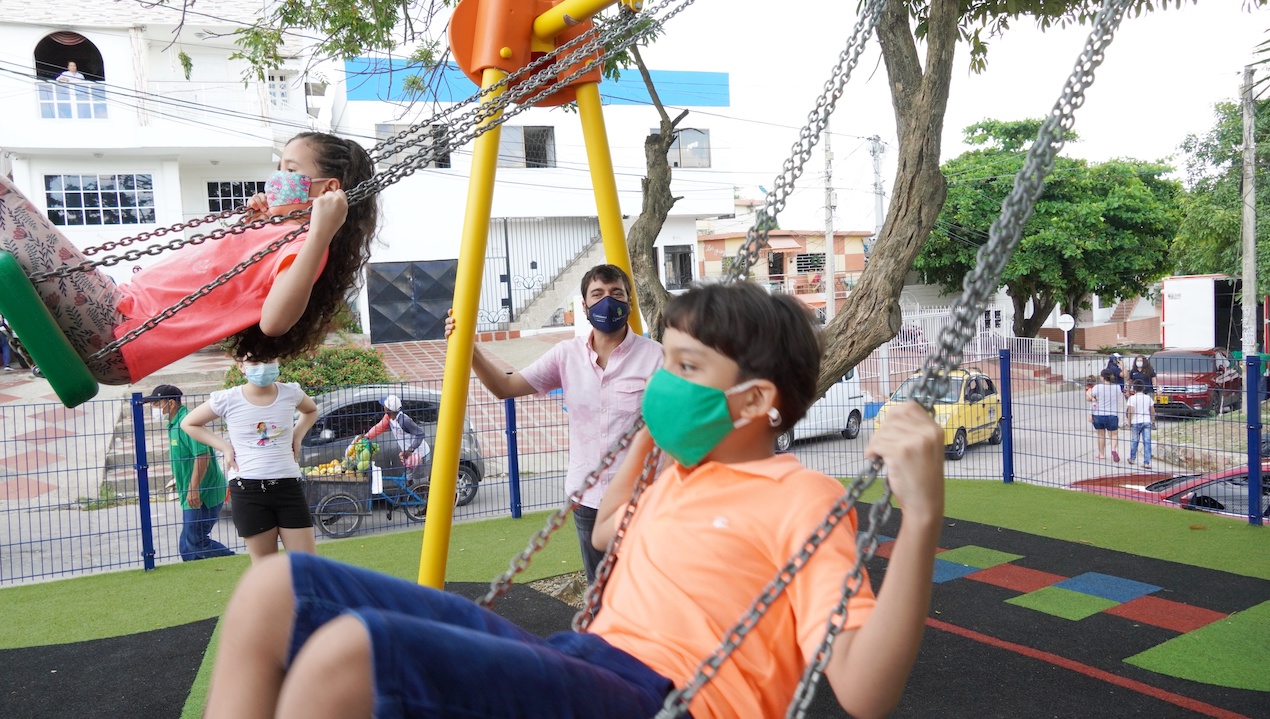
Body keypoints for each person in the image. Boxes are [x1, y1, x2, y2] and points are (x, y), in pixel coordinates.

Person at [203, 281, 945, 719]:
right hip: (584, 656)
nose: (663, 377)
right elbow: (606, 533)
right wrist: (655, 435)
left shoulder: (802, 495)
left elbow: (861, 687)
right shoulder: (675, 478)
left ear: (752, 400)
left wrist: (920, 520)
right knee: (276, 586)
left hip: (666, 697)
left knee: (349, 654)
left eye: (685, 367)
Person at [0, 131, 377, 386]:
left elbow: (275, 322)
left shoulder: (306, 247)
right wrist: (257, 226)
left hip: (118, 330)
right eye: (279, 168)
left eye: (291, 171)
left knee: (7, 203)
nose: (277, 178)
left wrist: (321, 232)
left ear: (329, 190)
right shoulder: (280, 235)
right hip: (118, 311)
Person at [444, 264, 662, 584]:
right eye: (598, 295)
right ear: (584, 306)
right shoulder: (566, 355)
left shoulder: (656, 357)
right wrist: (469, 348)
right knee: (600, 593)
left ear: (629, 302)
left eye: (617, 293)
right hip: (587, 498)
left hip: (642, 497)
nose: (608, 301)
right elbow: (505, 387)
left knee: (647, 588)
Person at [181, 357, 319, 562]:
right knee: (266, 569)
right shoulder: (228, 398)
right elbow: (189, 423)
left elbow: (311, 410)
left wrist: (297, 435)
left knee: (306, 565)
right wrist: (225, 447)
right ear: (240, 366)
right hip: (248, 491)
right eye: (253, 362)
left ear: (278, 361)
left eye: (268, 360)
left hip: (289, 487)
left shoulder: (291, 393)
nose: (262, 368)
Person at [141, 384, 235, 561]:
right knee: (189, 544)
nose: (153, 409)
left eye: (155, 404)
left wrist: (193, 488)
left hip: (204, 493)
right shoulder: (176, 423)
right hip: (194, 491)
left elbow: (202, 456)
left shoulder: (187, 423)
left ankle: (233, 559)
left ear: (170, 403)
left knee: (194, 543)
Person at [361, 394, 429, 477]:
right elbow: (379, 427)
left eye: (385, 406)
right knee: (409, 480)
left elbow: (421, 434)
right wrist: (366, 436)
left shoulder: (404, 421)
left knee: (419, 483)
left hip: (419, 455)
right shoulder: (388, 418)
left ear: (387, 409)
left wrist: (410, 450)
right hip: (408, 456)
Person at [1087, 369, 1123, 462]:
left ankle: (1102, 454)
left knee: (1100, 435)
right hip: (1112, 414)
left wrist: (1092, 398)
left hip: (1099, 414)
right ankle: (1113, 449)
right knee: (1114, 435)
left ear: (1102, 378)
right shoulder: (1117, 387)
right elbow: (1119, 395)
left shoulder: (1097, 387)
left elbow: (1089, 396)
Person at [1124, 381, 1155, 468]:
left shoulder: (1132, 398)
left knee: (1134, 441)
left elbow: (1130, 411)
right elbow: (1152, 410)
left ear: (1133, 389)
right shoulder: (1148, 398)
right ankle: (1146, 462)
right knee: (1147, 442)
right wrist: (1152, 420)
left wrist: (1128, 422)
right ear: (1143, 388)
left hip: (1135, 422)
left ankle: (1132, 458)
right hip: (1146, 421)